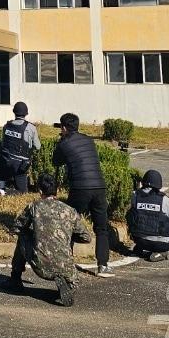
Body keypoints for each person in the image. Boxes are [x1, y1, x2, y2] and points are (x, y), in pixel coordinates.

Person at [51, 113, 115, 277]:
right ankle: (103, 265)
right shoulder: (89, 140)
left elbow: (55, 162)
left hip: (80, 188)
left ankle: (66, 261)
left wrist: (60, 142)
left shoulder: (64, 143)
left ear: (64, 128)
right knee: (101, 228)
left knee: (69, 223)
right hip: (99, 186)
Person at [8, 174, 87, 306]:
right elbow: (86, 237)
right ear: (57, 190)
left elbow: (16, 228)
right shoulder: (70, 211)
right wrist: (66, 236)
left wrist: (35, 232)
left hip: (41, 265)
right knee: (66, 256)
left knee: (23, 236)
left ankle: (15, 280)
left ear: (40, 191)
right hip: (67, 268)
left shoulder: (34, 206)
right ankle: (69, 284)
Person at [126, 169, 169, 261]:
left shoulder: (135, 195)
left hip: (139, 240)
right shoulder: (165, 199)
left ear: (143, 182)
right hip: (161, 244)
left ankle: (139, 249)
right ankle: (160, 253)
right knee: (167, 225)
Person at [0, 101, 40, 194]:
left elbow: (3, 143)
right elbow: (38, 146)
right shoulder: (30, 127)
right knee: (22, 192)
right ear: (26, 113)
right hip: (20, 165)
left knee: (3, 185)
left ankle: (2, 189)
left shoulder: (7, 125)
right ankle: (8, 192)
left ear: (14, 112)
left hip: (5, 161)